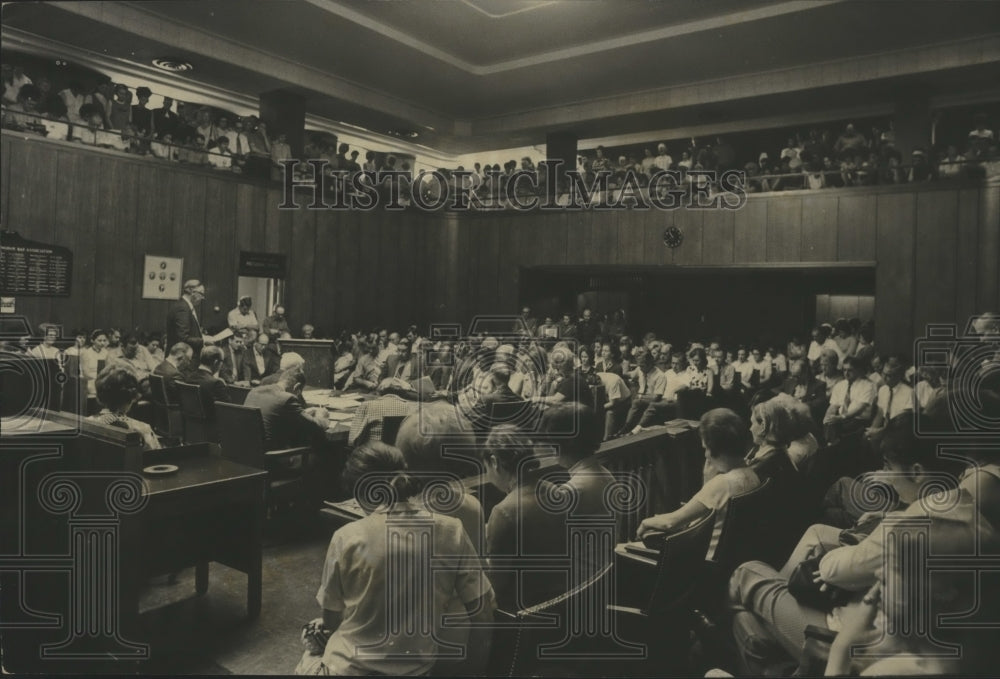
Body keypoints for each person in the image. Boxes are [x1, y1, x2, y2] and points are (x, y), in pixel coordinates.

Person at [297, 441, 495, 676]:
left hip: (349, 669)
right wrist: (473, 671)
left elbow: (331, 620)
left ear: (361, 492)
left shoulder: (345, 536)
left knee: (310, 643)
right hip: (416, 671)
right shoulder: (452, 530)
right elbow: (483, 612)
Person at [637, 408, 758, 560]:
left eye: (705, 448)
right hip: (728, 559)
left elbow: (671, 523)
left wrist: (645, 522)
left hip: (701, 562)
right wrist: (708, 481)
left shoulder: (722, 484)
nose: (706, 454)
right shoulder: (752, 474)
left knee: (624, 549)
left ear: (715, 448)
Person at [483, 425, 569, 611]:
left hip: (525, 615)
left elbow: (497, 584)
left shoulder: (503, 512)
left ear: (494, 462)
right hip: (563, 602)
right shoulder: (553, 490)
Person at [244, 368, 330, 450]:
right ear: (297, 387)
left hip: (250, 455)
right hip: (274, 457)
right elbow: (317, 427)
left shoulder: (253, 392)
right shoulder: (287, 398)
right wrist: (321, 415)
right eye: (299, 393)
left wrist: (303, 413)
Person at [89, 364, 161, 450]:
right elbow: (155, 459)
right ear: (132, 397)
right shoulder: (142, 429)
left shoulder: (86, 424)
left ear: (99, 396)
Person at [166, 279, 210, 355]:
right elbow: (183, 338)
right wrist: (203, 340)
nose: (202, 298)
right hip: (182, 358)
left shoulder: (183, 305)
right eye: (201, 294)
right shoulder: (182, 308)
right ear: (191, 291)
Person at [80, 329, 110, 400]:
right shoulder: (86, 353)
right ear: (92, 340)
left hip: (103, 383)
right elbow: (85, 373)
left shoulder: (106, 353)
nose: (102, 343)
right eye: (99, 340)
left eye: (104, 340)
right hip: (90, 384)